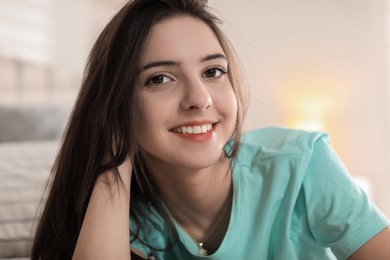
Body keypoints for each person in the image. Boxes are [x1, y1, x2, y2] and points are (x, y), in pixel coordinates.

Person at [31, 0, 390, 259]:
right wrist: (113, 151)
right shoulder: (124, 221)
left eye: (213, 71)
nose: (200, 99)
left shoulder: (301, 163)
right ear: (117, 105)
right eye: (160, 78)